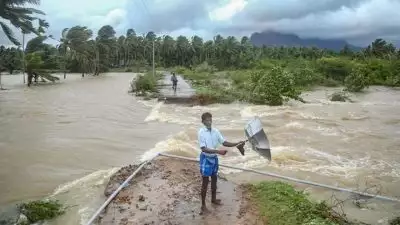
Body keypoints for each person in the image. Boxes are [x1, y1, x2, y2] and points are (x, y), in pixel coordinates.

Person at [197, 112, 245, 215]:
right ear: (203, 122)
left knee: (214, 179)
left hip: (214, 158)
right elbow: (203, 148)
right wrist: (218, 152)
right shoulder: (201, 132)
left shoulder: (215, 131)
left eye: (210, 119)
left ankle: (213, 199)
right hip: (206, 158)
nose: (209, 122)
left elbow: (224, 142)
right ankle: (203, 206)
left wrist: (237, 143)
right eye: (206, 120)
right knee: (205, 183)